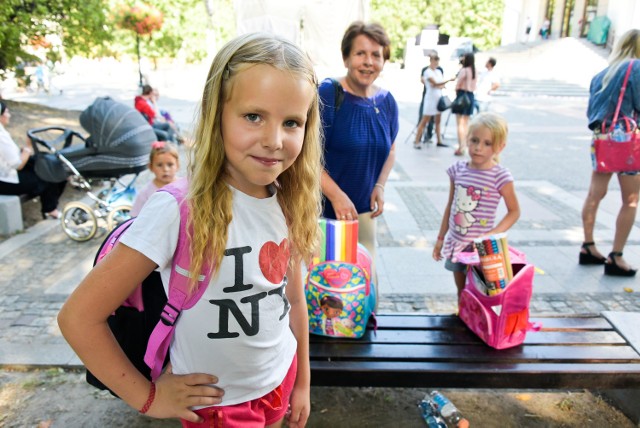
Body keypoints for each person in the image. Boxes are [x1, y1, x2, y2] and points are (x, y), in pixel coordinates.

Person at [58, 32, 322, 426]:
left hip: (278, 381)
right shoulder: (178, 210)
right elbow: (78, 317)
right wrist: (147, 398)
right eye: (254, 116)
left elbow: (294, 301)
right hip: (219, 407)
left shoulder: (289, 199)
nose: (274, 140)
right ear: (217, 113)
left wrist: (302, 382)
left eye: (292, 122)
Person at [318, 21, 399, 287]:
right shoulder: (329, 93)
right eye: (360, 53)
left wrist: (380, 184)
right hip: (321, 212)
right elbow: (304, 157)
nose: (368, 62)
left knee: (365, 285)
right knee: (325, 290)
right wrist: (336, 194)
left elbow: (391, 148)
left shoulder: (387, 101)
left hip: (362, 212)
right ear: (346, 58)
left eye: (376, 55)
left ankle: (367, 327)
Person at [433, 112, 520, 298]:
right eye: (474, 140)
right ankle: (461, 309)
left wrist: (491, 234)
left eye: (487, 143)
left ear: (499, 147)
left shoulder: (500, 176)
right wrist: (440, 238)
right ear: (467, 139)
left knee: (481, 292)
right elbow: (450, 206)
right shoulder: (457, 170)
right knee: (461, 290)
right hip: (456, 244)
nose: (478, 148)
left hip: (481, 250)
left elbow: (514, 212)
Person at [580, 29, 640, 277]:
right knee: (630, 199)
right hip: (627, 140)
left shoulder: (602, 74)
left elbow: (591, 114)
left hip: (602, 139)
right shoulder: (636, 68)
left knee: (595, 193)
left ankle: (588, 246)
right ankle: (616, 256)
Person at [0, 101, 65, 219]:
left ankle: (51, 206)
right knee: (45, 178)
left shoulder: (2, 131)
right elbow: (17, 164)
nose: (9, 115)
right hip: (6, 180)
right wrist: (28, 147)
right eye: (7, 112)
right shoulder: (1, 136)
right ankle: (50, 209)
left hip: (9, 173)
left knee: (49, 165)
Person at [129, 141, 180, 217]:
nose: (165, 169)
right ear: (151, 167)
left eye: (170, 164)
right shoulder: (146, 193)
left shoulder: (185, 186)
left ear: (177, 165)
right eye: (159, 165)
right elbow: (135, 217)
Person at [414, 55, 454, 149]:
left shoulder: (438, 71)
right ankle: (417, 140)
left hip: (438, 98)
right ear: (431, 61)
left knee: (438, 121)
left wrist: (441, 85)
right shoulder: (427, 72)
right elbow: (434, 83)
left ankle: (439, 140)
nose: (436, 64)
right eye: (434, 61)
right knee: (425, 120)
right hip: (430, 99)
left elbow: (438, 85)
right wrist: (448, 81)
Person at [453, 52, 477, 156]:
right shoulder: (474, 71)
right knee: (466, 123)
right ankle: (466, 145)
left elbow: (458, 85)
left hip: (462, 95)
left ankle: (461, 146)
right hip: (471, 96)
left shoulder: (464, 70)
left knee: (459, 124)